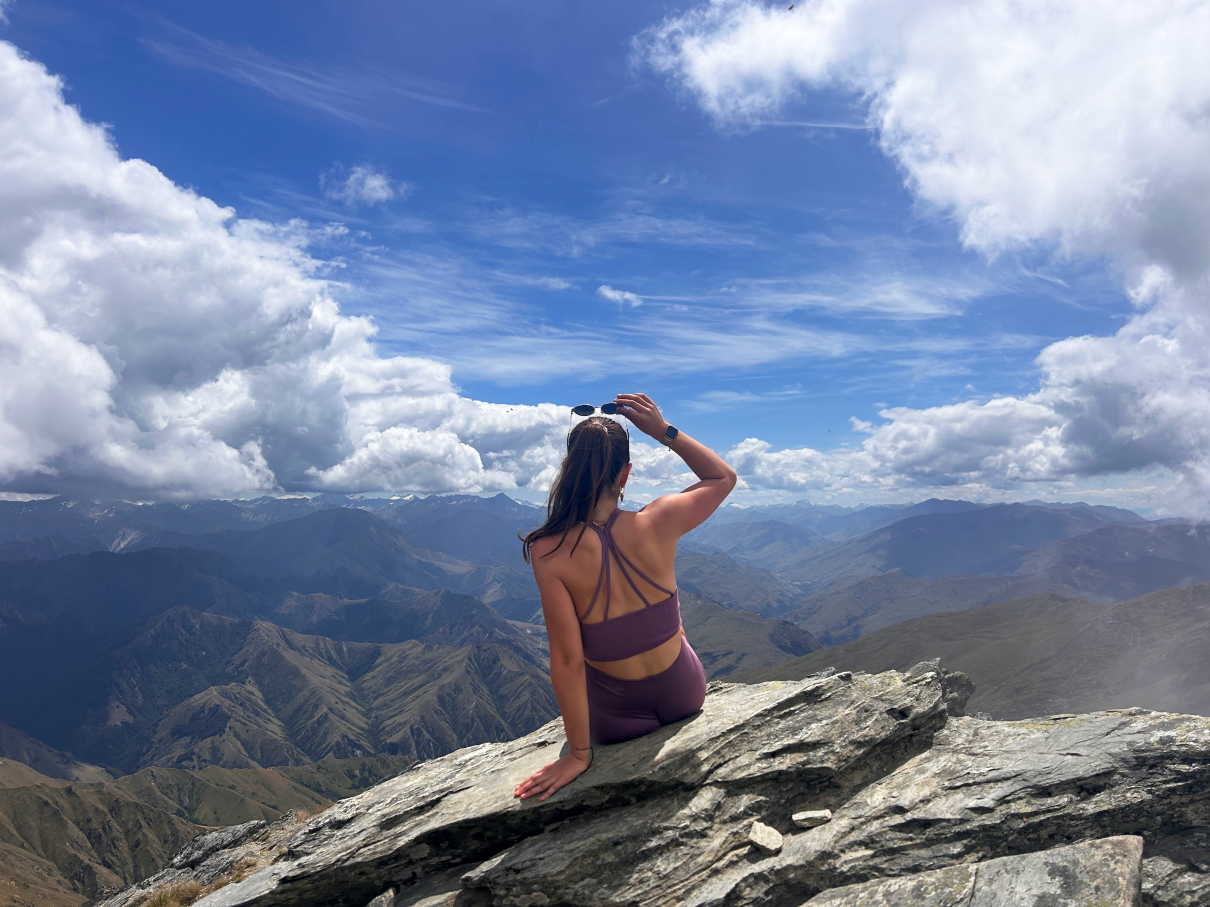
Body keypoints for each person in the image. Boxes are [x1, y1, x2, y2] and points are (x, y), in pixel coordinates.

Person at [514, 393, 737, 802]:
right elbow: (723, 478)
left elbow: (566, 659)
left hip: (616, 718)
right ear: (626, 475)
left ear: (568, 470)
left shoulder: (548, 551)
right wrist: (662, 431)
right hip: (685, 692)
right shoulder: (660, 519)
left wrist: (578, 755)